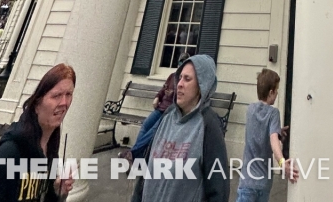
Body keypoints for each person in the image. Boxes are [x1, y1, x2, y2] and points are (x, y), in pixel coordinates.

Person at [0, 63, 76, 202]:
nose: (64, 102)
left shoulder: (50, 148)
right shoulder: (11, 153)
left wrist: (56, 192)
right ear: (37, 104)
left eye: (69, 94)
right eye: (56, 96)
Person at [137, 54, 229, 202]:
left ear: (202, 86)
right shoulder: (167, 116)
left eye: (187, 79)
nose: (179, 84)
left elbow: (218, 189)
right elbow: (145, 172)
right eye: (180, 78)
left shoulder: (209, 125)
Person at [237, 69, 298, 202]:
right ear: (271, 92)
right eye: (276, 90)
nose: (277, 94)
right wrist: (282, 162)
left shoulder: (250, 109)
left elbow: (259, 130)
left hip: (247, 182)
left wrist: (276, 130)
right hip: (263, 183)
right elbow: (273, 140)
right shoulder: (273, 113)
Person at [122, 52, 191, 163]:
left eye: (183, 63)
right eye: (179, 62)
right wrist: (157, 97)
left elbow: (182, 100)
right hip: (160, 108)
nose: (180, 65)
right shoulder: (172, 76)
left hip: (170, 112)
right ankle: (138, 160)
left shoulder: (184, 81)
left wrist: (172, 94)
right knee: (145, 126)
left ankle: (132, 153)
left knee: (154, 130)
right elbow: (163, 89)